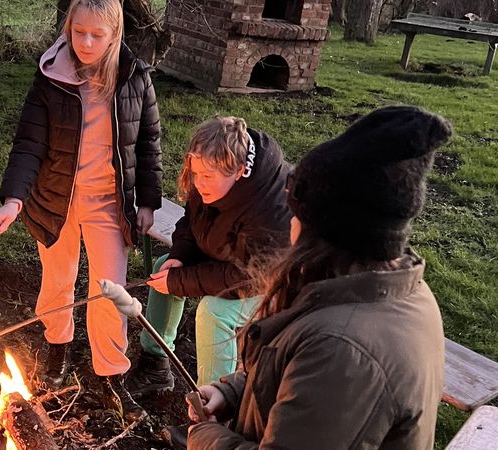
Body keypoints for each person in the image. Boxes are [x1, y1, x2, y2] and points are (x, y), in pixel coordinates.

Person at [187, 106, 451, 449]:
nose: (290, 225)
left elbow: (324, 376)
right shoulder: (385, 289)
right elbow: (302, 384)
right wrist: (233, 391)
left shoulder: (341, 349)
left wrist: (208, 440)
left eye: (296, 214)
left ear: (323, 230)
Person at [0, 0, 162, 422]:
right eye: (78, 32)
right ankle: (58, 348)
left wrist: (147, 201)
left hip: (109, 203)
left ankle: (111, 374)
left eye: (96, 35)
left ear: (115, 33)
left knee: (110, 290)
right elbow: (29, 143)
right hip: (56, 201)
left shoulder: (135, 78)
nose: (85, 42)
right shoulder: (51, 76)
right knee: (58, 282)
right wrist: (14, 197)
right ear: (69, 27)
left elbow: (148, 145)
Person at [126, 116, 292, 398]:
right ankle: (156, 363)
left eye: (208, 177)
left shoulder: (270, 206)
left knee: (215, 313)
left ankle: (212, 405)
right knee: (162, 269)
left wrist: (181, 281)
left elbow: (248, 277)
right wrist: (179, 257)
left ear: (238, 170)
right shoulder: (210, 169)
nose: (199, 183)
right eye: (195, 174)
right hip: (232, 259)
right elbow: (191, 222)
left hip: (276, 280)